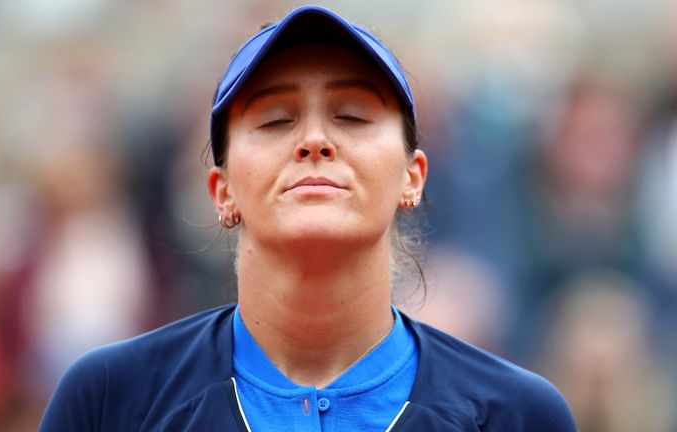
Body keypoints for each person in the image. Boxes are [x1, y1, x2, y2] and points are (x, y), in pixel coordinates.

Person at [39, 5, 577, 431]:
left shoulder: (517, 414)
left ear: (412, 177)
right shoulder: (111, 397)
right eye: (275, 120)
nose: (315, 141)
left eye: (352, 115)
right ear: (221, 191)